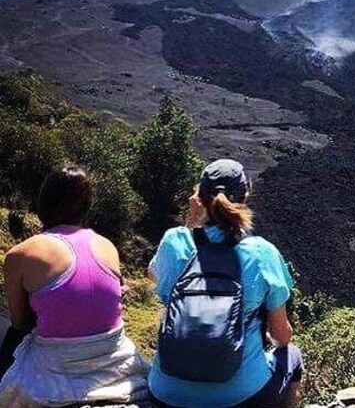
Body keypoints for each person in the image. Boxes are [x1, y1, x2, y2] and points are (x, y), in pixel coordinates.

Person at [147, 158, 302, 408]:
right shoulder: (262, 253)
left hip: (166, 395)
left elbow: (153, 276)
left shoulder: (174, 241)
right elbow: (280, 335)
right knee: (292, 355)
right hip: (241, 398)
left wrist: (190, 225)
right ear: (246, 196)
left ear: (199, 197)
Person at [0, 166, 149, 406]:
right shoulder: (107, 246)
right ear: (86, 208)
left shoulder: (21, 254)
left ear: (43, 202)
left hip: (58, 362)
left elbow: (21, 323)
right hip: (114, 355)